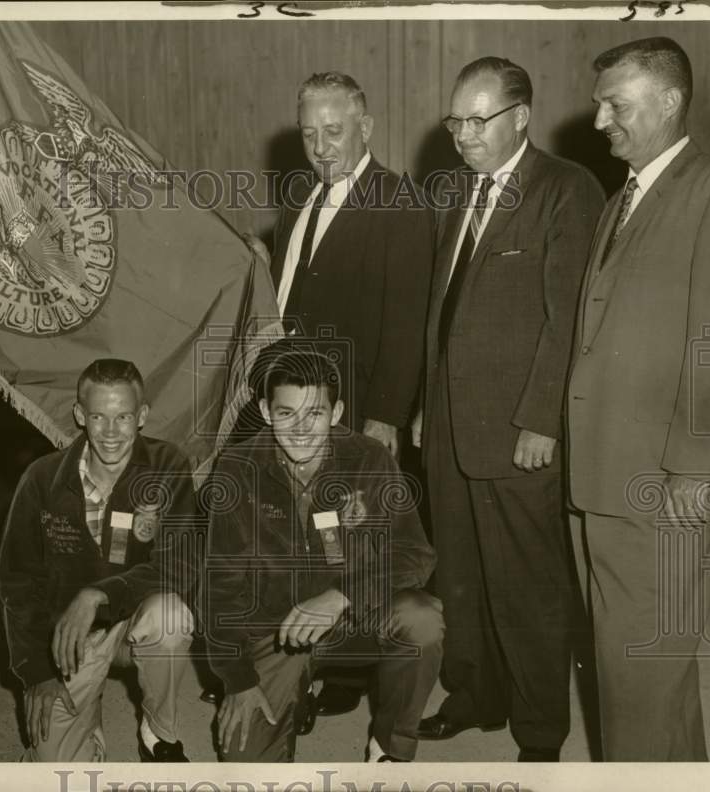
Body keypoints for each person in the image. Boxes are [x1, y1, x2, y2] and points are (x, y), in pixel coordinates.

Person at [414, 57, 604, 761]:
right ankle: (476, 695)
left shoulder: (566, 190)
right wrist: (425, 406)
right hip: (448, 425)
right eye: (454, 120)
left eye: (477, 119)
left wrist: (541, 421)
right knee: (461, 581)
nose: (463, 134)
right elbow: (444, 310)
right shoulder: (454, 191)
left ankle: (540, 728)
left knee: (526, 586)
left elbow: (567, 323)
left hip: (518, 431)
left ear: (520, 117)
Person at [566, 37, 710, 761]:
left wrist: (697, 468)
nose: (601, 118)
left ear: (669, 101)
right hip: (606, 479)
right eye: (599, 103)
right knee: (642, 682)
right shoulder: (623, 200)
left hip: (667, 486)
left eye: (616, 102)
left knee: (641, 681)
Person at [264, 70, 434, 721]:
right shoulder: (299, 198)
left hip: (358, 411)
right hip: (298, 413)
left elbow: (406, 321)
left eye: (334, 131)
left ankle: (354, 670)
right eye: (309, 133)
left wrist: (386, 416)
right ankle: (312, 666)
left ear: (366, 127)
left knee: (356, 542)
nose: (321, 145)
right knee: (303, 541)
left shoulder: (400, 201)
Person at [202, 349, 444, 762]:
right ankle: (292, 693)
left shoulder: (369, 457)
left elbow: (414, 554)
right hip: (276, 630)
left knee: (421, 620)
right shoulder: (237, 468)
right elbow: (220, 585)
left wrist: (341, 596)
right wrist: (238, 682)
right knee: (246, 772)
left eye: (314, 414)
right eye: (286, 413)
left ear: (337, 413)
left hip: (354, 617)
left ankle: (389, 749)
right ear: (264, 410)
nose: (299, 430)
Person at [0, 358, 199, 762]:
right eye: (98, 417)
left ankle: (159, 734)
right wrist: (35, 671)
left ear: (142, 416)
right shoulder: (42, 478)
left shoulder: (168, 466)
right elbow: (17, 581)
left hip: (135, 620)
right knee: (52, 773)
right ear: (78, 415)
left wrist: (96, 595)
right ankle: (86, 725)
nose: (110, 432)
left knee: (170, 618)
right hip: (69, 637)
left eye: (123, 417)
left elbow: (179, 565)